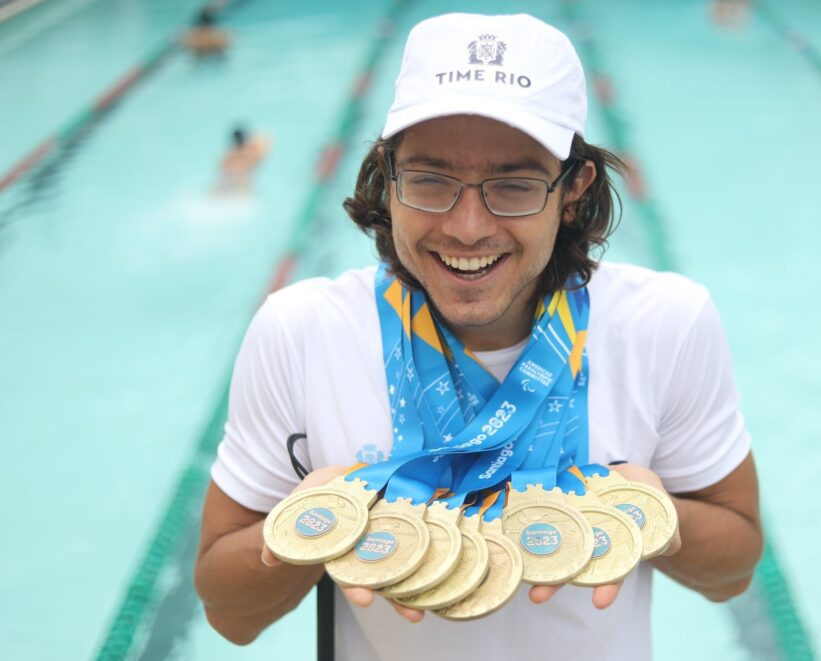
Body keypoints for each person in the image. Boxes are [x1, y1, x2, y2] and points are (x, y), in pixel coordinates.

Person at [194, 12, 762, 661]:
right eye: (432, 180)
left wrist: (660, 520)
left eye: (513, 186)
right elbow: (226, 614)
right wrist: (308, 529)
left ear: (572, 189)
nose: (467, 227)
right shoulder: (301, 332)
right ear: (388, 174)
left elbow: (735, 567)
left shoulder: (665, 324)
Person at [214, 125, 271, 194]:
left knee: (240, 184)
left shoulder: (251, 149)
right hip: (237, 176)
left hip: (240, 175)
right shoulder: (232, 155)